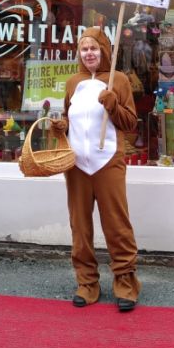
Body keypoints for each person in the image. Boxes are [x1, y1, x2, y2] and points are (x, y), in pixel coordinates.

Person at [51, 27, 142, 312]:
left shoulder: (119, 80)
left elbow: (131, 125)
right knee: (79, 225)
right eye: (84, 49)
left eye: (94, 48)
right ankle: (86, 281)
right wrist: (60, 128)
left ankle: (126, 281)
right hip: (76, 165)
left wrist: (114, 105)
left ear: (104, 50)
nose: (89, 53)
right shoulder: (72, 82)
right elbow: (68, 117)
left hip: (108, 161)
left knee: (117, 224)